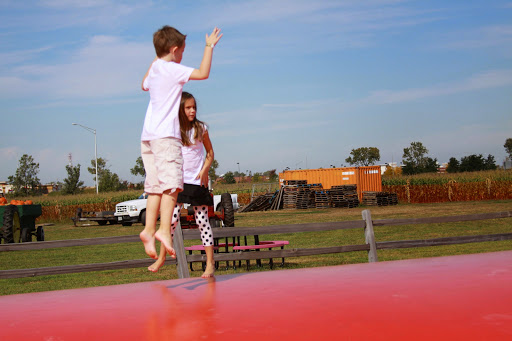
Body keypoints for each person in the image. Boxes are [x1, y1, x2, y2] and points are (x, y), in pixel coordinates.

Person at [139, 26, 222, 260]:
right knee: (173, 186)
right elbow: (203, 72)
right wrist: (208, 47)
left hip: (148, 137)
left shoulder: (155, 68)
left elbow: (144, 84)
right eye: (182, 51)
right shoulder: (171, 70)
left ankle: (148, 229)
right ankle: (163, 230)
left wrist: (158, 54)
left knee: (155, 186)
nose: (183, 56)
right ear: (174, 50)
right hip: (165, 137)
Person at [148, 92, 216, 278]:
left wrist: (204, 171)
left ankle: (210, 263)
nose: (192, 110)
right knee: (170, 222)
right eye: (188, 107)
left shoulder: (201, 128)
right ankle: (162, 258)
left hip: (197, 181)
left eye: (194, 107)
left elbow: (210, 153)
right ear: (181, 109)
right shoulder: (174, 129)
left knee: (202, 221)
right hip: (178, 181)